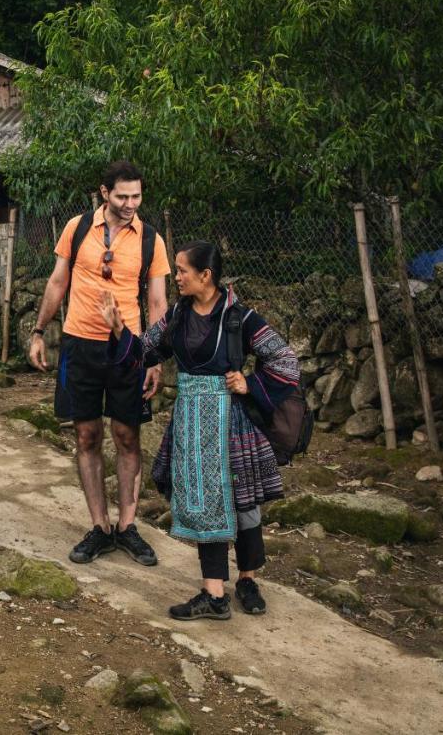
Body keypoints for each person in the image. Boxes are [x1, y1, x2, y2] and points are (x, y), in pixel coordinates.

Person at [100, 240, 299, 619]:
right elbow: (143, 351)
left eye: (182, 271)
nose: (176, 278)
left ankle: (247, 580)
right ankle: (214, 594)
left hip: (231, 423)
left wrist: (250, 383)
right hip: (191, 422)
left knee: (244, 506)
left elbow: (286, 360)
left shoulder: (241, 317)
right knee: (206, 504)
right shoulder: (177, 315)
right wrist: (117, 329)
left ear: (205, 275)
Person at [28, 161, 169, 566]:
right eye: (123, 196)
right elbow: (58, 282)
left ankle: (127, 526)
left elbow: (158, 302)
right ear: (104, 193)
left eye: (137, 196)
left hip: (128, 351)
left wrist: (154, 357)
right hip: (79, 347)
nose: (130, 204)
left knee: (127, 437)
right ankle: (99, 527)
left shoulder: (151, 240)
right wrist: (39, 332)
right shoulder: (76, 228)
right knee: (86, 436)